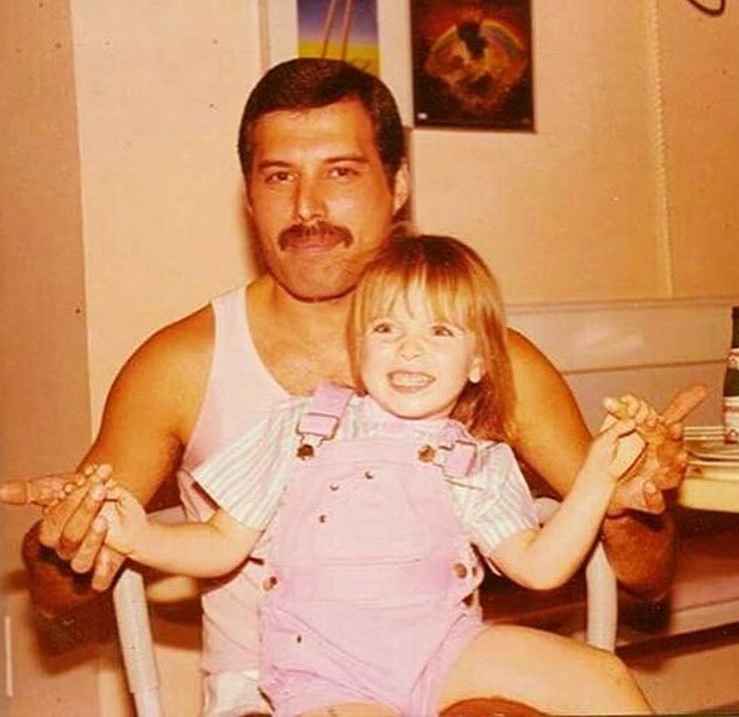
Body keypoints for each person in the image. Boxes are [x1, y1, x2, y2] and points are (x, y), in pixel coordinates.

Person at [1, 58, 704, 716]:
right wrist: (66, 540)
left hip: (441, 664)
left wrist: (623, 500)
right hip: (274, 690)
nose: (307, 208)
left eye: (340, 171)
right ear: (248, 195)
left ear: (395, 185)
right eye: (278, 176)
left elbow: (645, 578)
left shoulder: (493, 359)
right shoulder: (181, 364)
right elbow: (59, 589)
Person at [66, 233, 656, 716]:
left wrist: (599, 477)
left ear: (478, 361)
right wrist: (135, 535)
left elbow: (541, 566)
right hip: (328, 669)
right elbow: (221, 544)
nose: (409, 350)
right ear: (359, 344)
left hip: (444, 650)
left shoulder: (475, 456)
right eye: (386, 329)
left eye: (439, 332)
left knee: (601, 675)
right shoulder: (301, 428)